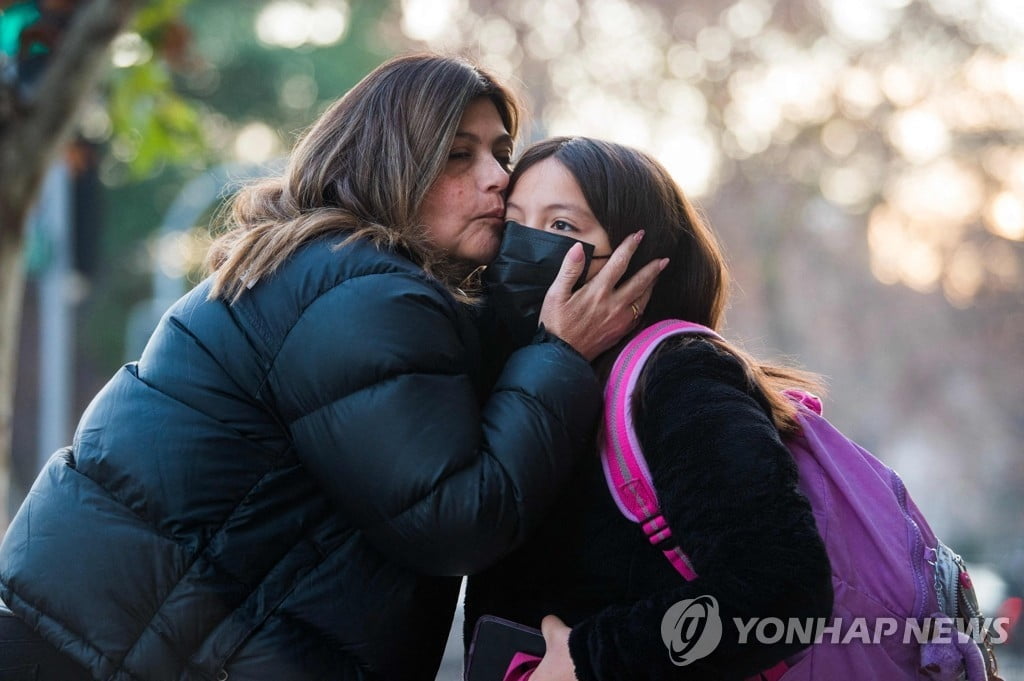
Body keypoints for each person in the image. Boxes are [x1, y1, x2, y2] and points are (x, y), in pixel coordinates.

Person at [0, 58, 664, 681]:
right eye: (459, 155)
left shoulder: (335, 274)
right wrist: (559, 354)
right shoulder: (362, 291)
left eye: (500, 153)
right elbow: (456, 517)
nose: (497, 177)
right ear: (388, 164)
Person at [464, 137, 834, 680]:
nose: (526, 245)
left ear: (634, 258)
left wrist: (591, 661)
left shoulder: (679, 374)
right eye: (514, 223)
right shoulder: (525, 373)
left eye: (562, 227)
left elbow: (781, 588)